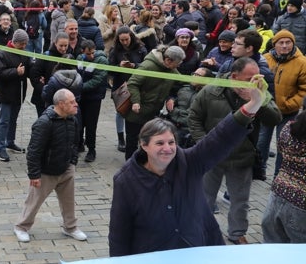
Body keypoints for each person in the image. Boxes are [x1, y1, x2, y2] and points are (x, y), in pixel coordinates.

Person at [109, 71, 269, 256]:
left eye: (171, 142)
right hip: (154, 254)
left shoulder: (188, 161)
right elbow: (119, 231)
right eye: (159, 143)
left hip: (198, 247)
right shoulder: (125, 180)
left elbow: (219, 138)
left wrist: (254, 103)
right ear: (144, 145)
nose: (167, 148)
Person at [188, 57, 281, 245]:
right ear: (233, 76)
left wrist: (258, 100)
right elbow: (194, 117)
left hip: (241, 158)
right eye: (248, 79)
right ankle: (200, 230)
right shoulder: (211, 91)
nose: (253, 82)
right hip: (212, 157)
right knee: (205, 197)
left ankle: (237, 233)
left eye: (256, 77)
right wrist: (204, 144)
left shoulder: (260, 92)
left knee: (240, 201)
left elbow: (275, 119)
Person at [13, 89, 87, 243]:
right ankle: (21, 227)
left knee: (69, 201)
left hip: (66, 168)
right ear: (61, 104)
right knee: (33, 202)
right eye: (72, 102)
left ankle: (70, 227)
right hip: (46, 171)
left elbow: (75, 143)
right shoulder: (44, 123)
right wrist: (34, 175)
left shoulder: (72, 119)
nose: (76, 104)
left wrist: (72, 163)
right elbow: (34, 151)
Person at [260, 29, 306, 178]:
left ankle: (278, 177)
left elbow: (303, 89)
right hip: (266, 109)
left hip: (287, 111)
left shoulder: (302, 62)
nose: (285, 46)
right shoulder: (265, 58)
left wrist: (291, 104)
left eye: (288, 43)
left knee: (283, 144)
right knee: (261, 142)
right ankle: (258, 170)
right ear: (275, 45)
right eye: (281, 43)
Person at [124, 45, 184, 159]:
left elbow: (180, 83)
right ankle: (130, 166)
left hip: (153, 111)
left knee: (148, 141)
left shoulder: (171, 69)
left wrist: (171, 98)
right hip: (137, 111)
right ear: (168, 60)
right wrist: (136, 102)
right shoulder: (148, 66)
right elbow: (132, 84)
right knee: (132, 140)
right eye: (178, 62)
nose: (179, 65)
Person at [261, 109, 306, 243]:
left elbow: (280, 149)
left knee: (272, 249)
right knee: (299, 254)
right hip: (300, 203)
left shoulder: (288, 128)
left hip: (278, 192)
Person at [0, 29, 30, 162]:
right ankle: (0, 147)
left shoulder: (24, 54)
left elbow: (30, 70)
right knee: (4, 121)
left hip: (19, 93)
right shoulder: (2, 54)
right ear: (14, 42)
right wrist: (16, 72)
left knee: (14, 119)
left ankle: (10, 141)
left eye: (25, 44)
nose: (24, 46)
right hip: (6, 93)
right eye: (22, 44)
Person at [77, 39, 109, 162]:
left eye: (92, 53)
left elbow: (97, 80)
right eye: (88, 54)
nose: (91, 55)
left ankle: (91, 149)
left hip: (94, 98)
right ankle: (79, 144)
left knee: (91, 125)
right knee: (79, 122)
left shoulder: (102, 60)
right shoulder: (79, 58)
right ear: (82, 52)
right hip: (81, 97)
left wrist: (79, 87)